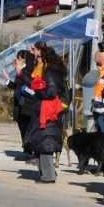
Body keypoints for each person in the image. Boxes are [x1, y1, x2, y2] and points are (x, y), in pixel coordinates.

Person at [22, 41, 67, 183]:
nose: (33, 53)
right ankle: (45, 174)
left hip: (49, 113)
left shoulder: (51, 72)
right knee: (38, 143)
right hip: (41, 111)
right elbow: (32, 80)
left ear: (41, 52)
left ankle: (48, 176)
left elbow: (50, 92)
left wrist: (38, 91)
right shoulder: (43, 69)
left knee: (45, 144)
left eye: (35, 50)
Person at [3, 50, 34, 160]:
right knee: (22, 127)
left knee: (26, 127)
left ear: (24, 59)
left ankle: (28, 150)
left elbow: (27, 85)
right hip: (19, 103)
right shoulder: (20, 71)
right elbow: (17, 86)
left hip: (26, 104)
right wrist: (8, 82)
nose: (17, 61)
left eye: (19, 59)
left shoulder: (28, 70)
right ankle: (26, 149)